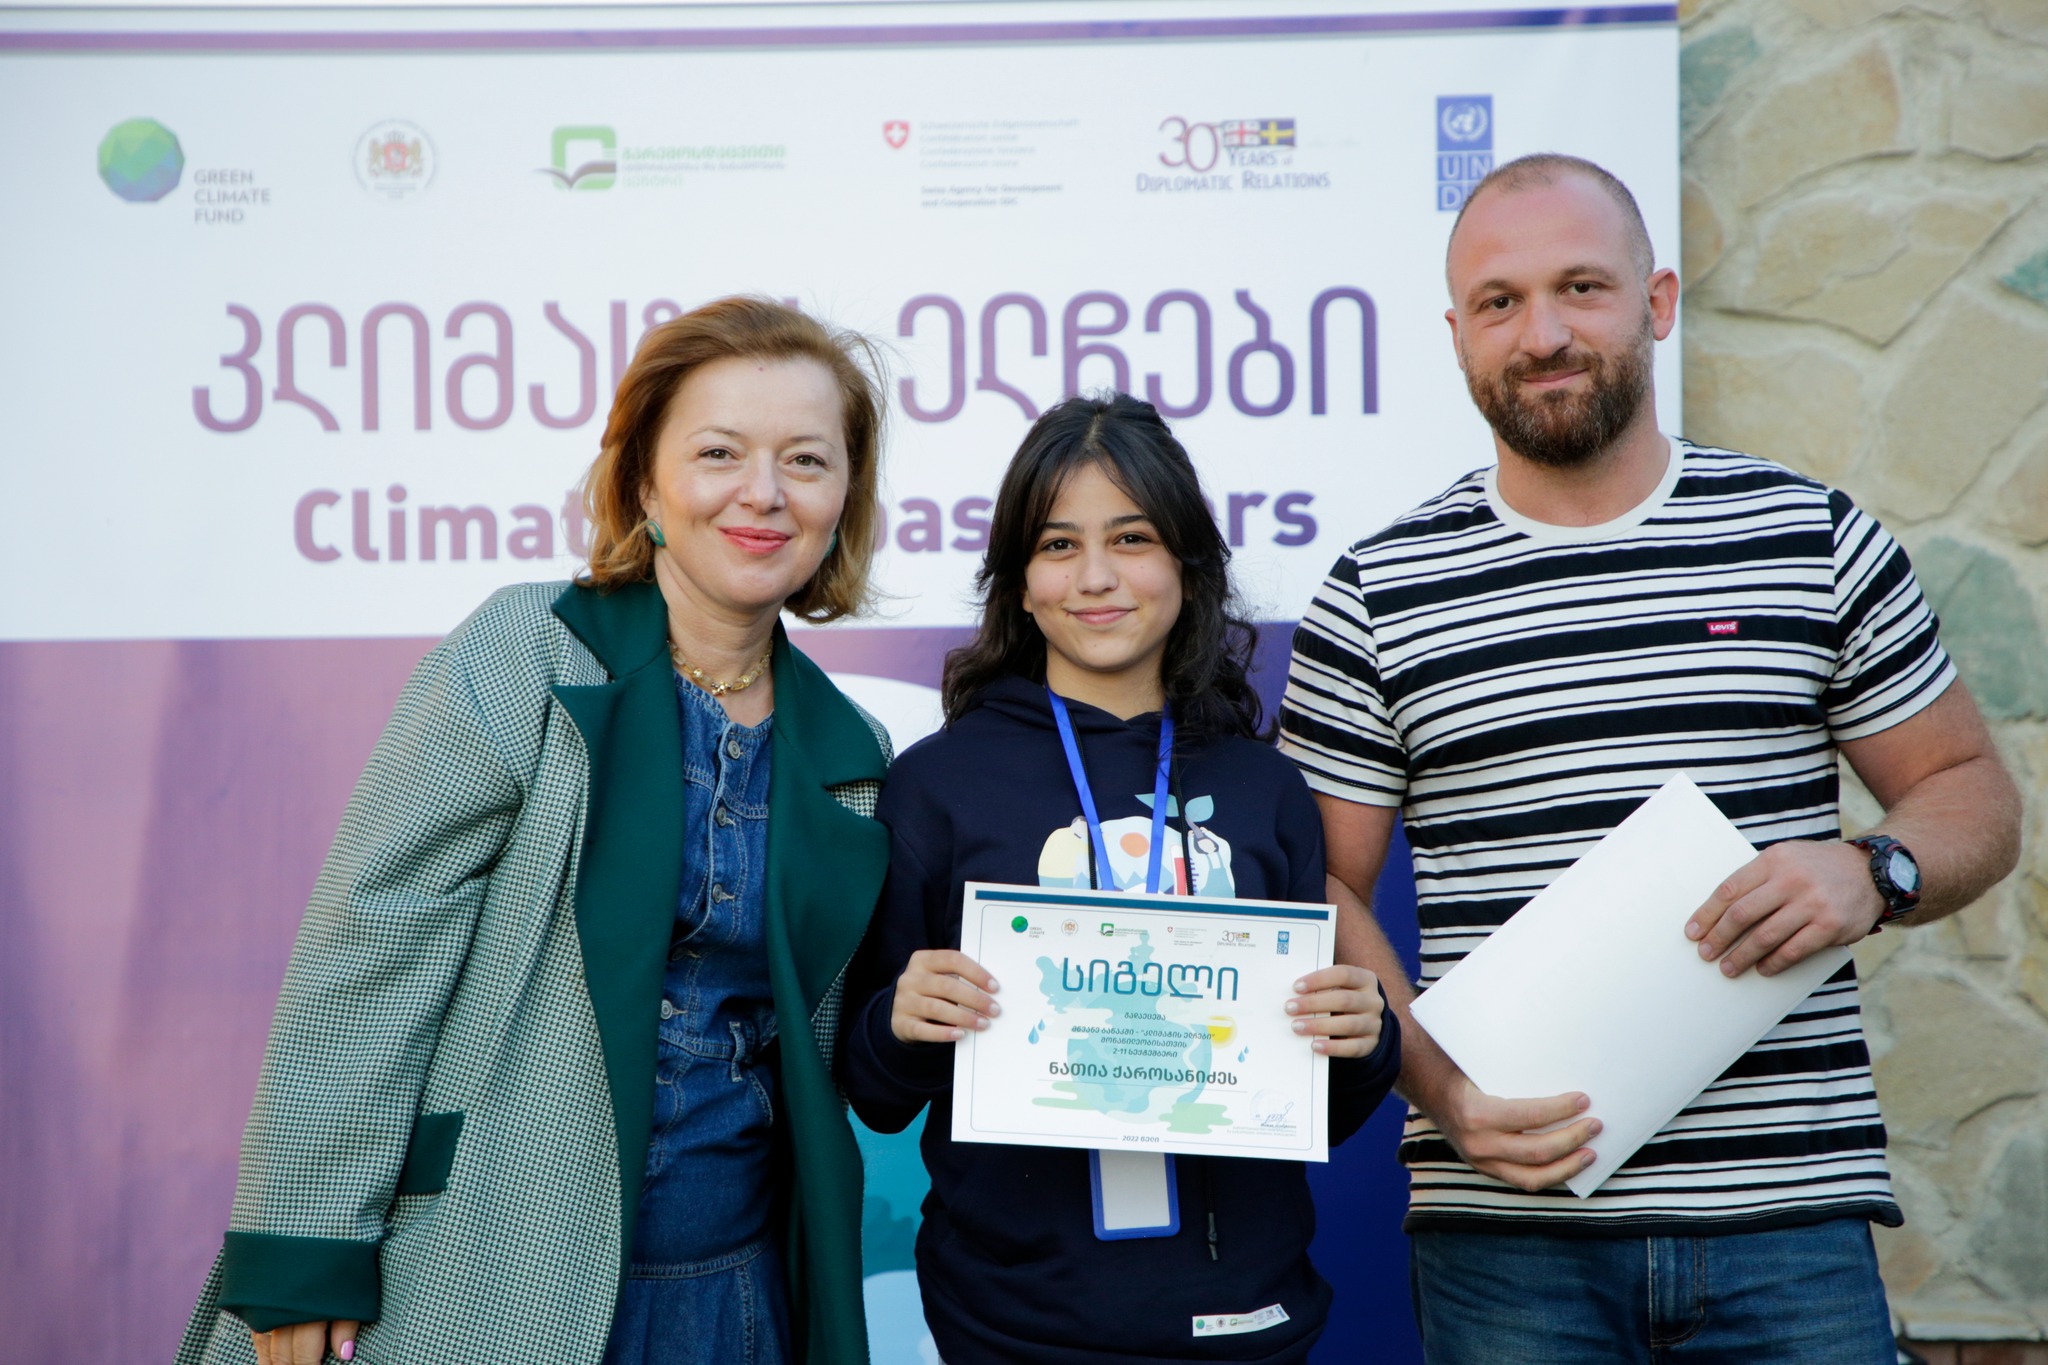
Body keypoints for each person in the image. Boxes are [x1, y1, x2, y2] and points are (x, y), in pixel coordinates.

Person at [1280, 153, 2023, 1363]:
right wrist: (1445, 1096)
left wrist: (1871, 870)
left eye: (1580, 287)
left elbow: (1970, 794)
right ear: (1456, 337)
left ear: (1656, 301)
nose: (1541, 334)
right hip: (1506, 1229)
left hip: (1786, 1222)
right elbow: (1314, 886)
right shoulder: (1378, 591)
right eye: (1499, 301)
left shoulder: (1807, 538)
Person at [177, 296, 895, 1365]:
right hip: (488, 1269)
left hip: (732, 1298)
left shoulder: (851, 752)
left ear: (843, 497)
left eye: (805, 460)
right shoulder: (528, 654)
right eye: (718, 452)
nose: (764, 492)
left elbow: (827, 1051)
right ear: (644, 483)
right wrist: (305, 1246)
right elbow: (370, 949)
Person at [839, 392, 1402, 1365]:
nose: (1095, 576)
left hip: (1241, 1319)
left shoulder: (1264, 790)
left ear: (1187, 563)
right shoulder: (938, 784)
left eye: (1131, 538)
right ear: (1017, 583)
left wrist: (1363, 1043)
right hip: (1009, 1323)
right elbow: (873, 1090)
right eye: (1057, 545)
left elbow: (1310, 1109)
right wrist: (903, 1018)